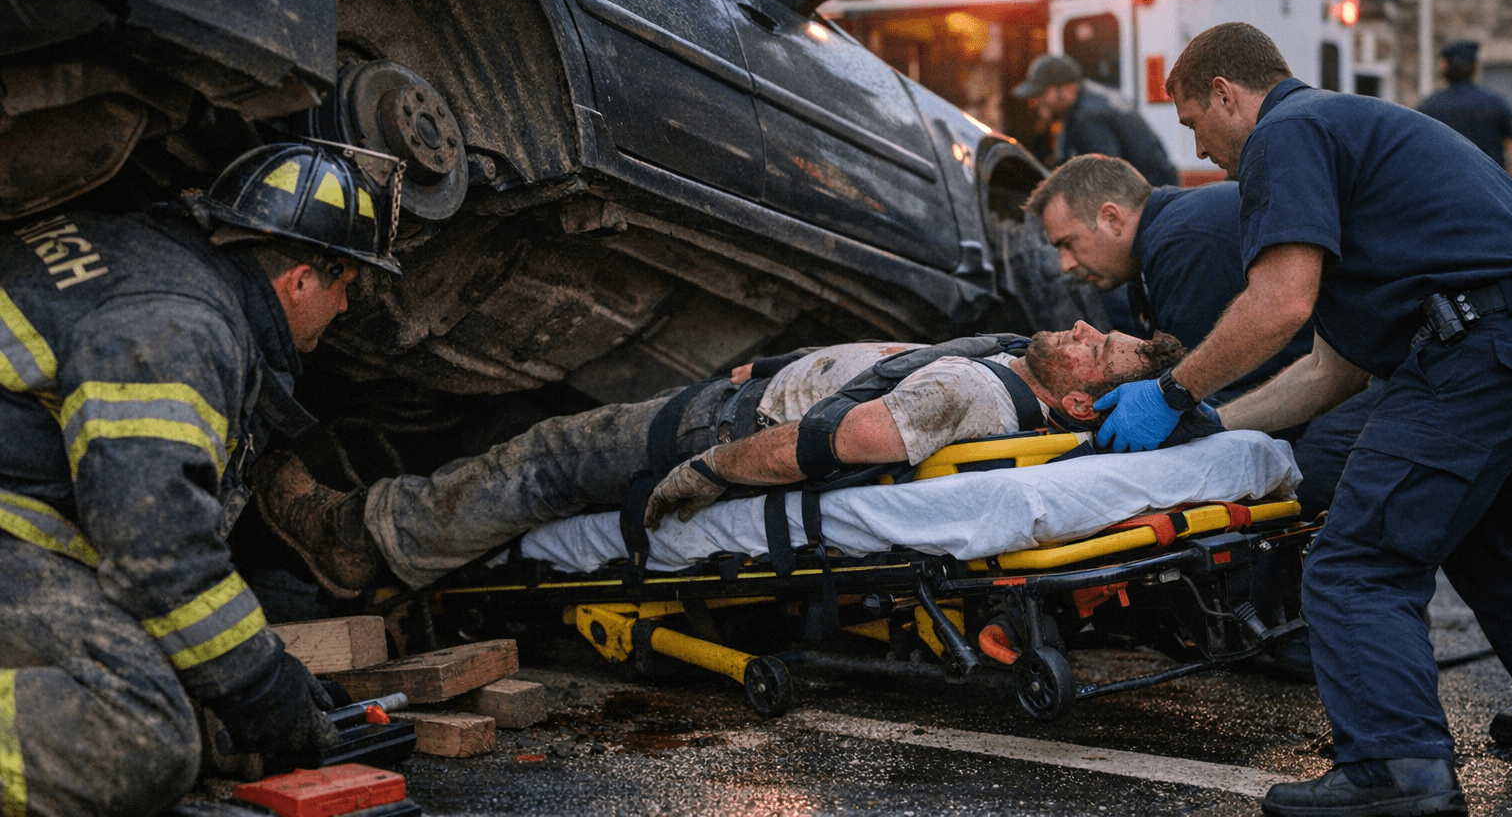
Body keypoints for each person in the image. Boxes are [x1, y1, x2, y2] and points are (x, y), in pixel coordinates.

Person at [1091, 21, 1512, 817]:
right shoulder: (1343, 128)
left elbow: (1279, 304)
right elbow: (1330, 369)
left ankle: (1398, 768)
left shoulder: (1285, 134)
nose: (1197, 153)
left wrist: (1170, 392)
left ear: (1225, 94)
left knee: (1354, 562)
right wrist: (1214, 423)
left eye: (1193, 123)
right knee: (1483, 547)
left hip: (1476, 349)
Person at [0, 143, 400, 817]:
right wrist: (259, 682)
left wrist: (257, 669)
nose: (343, 309)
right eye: (345, 287)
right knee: (143, 738)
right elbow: (157, 548)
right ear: (301, 279)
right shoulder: (180, 324)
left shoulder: (146, 255)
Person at [253, 325, 1186, 596]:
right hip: (741, 397)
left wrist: (706, 474)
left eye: (1098, 350)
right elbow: (886, 365)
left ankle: (357, 538)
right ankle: (399, 535)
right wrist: (782, 364)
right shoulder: (1001, 365)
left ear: (1075, 402)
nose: (1080, 328)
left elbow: (829, 444)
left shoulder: (979, 396)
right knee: (547, 463)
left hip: (715, 432)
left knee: (542, 461)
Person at [1024, 153, 1384, 518]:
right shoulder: (1167, 240)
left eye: (1067, 243)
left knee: (1310, 495)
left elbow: (1198, 389)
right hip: (1339, 369)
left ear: (1111, 218)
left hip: (1366, 374)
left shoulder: (1183, 243)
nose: (1065, 265)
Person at [1011, 54, 1179, 187]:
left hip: (1150, 205)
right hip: (1158, 192)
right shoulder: (1092, 99)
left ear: (1068, 88)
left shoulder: (1087, 117)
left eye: (1042, 93)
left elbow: (1103, 182)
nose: (1036, 101)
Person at [1416, 39, 1512, 182]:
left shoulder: (1428, 107)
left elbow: (1417, 157)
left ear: (1444, 67)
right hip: (1489, 193)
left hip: (1443, 194)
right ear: (1475, 67)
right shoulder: (1494, 103)